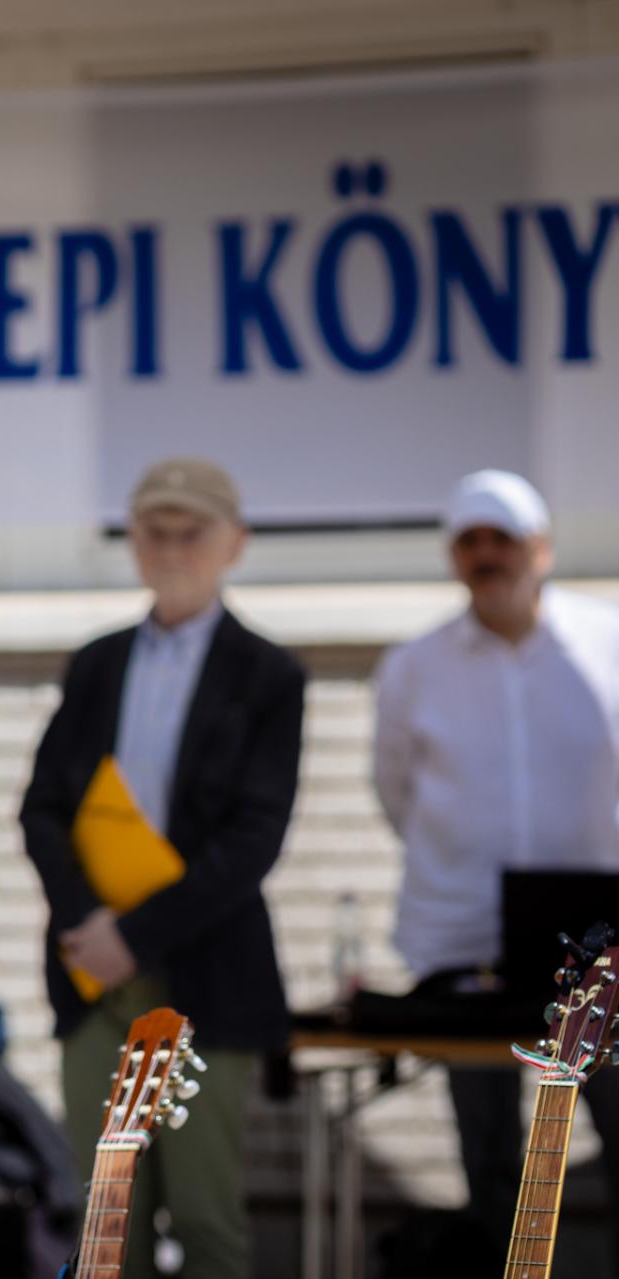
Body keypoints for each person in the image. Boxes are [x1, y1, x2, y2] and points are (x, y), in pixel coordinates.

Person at [20, 458, 305, 1279]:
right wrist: (88, 925)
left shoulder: (268, 674)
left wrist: (135, 935)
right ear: (134, 541)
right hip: (94, 981)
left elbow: (253, 839)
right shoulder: (97, 663)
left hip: (205, 976)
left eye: (193, 532)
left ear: (234, 544)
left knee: (207, 1219)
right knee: (105, 1223)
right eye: (156, 531)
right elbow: (42, 808)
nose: (174, 549)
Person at [373, 468, 619, 1254]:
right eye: (470, 541)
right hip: (465, 942)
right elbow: (395, 790)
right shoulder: (415, 665)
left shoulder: (607, 643)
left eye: (503, 538)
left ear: (540, 548)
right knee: (489, 1158)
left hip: (602, 949)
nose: (487, 555)